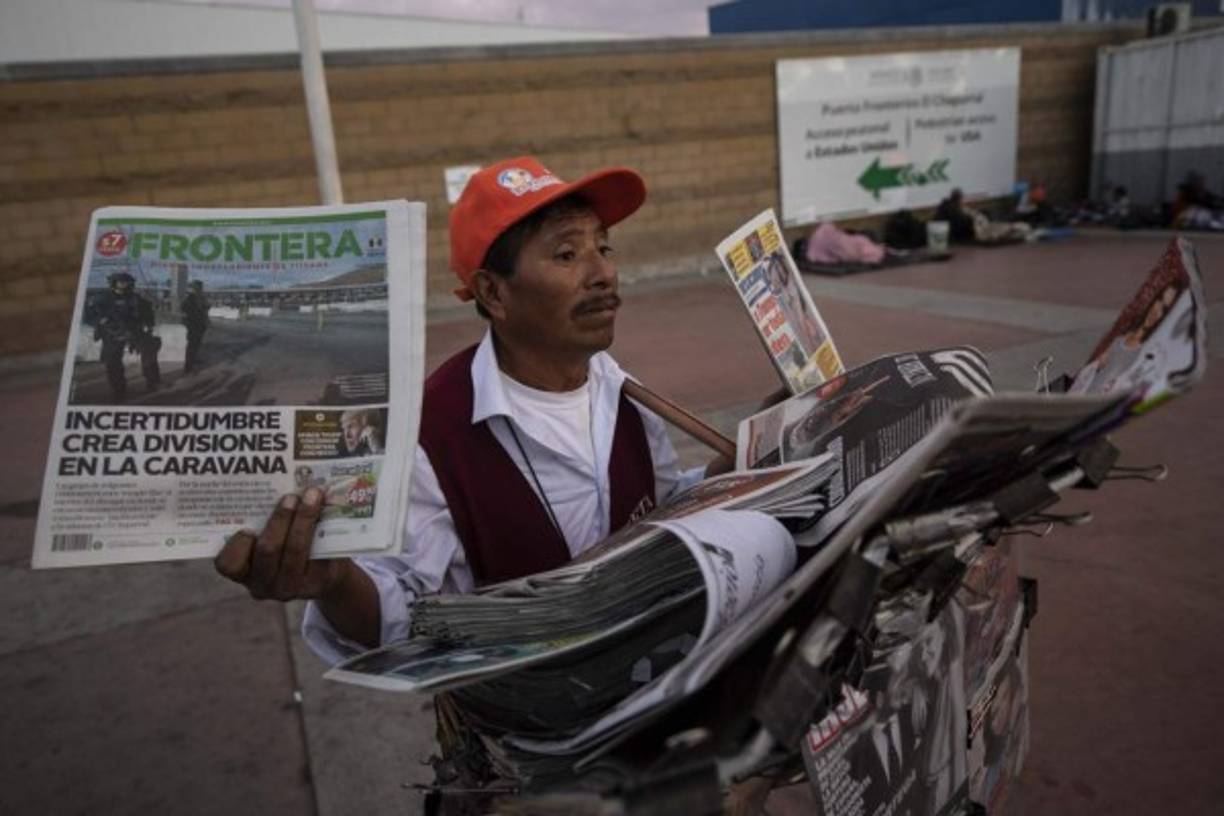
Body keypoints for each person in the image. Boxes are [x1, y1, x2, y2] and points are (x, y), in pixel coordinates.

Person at [213, 156, 722, 805]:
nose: (604, 274)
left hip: (647, 723)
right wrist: (335, 581)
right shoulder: (433, 432)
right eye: (567, 255)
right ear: (493, 293)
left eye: (604, 246)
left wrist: (739, 471)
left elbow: (657, 507)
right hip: (524, 766)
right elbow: (399, 615)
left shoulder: (618, 386)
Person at [86, 271, 161, 401]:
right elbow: (88, 316)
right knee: (112, 361)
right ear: (114, 283)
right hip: (112, 332)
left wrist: (149, 325)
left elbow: (147, 312)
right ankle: (118, 389)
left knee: (150, 348)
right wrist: (100, 321)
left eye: (127, 282)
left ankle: (152, 381)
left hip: (133, 330)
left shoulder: (135, 298)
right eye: (121, 282)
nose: (125, 285)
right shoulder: (103, 298)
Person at [180, 280, 210, 374]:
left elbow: (206, 308)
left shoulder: (202, 298)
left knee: (197, 344)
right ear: (195, 288)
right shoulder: (190, 297)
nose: (200, 289)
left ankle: (194, 359)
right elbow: (183, 307)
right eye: (198, 287)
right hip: (193, 325)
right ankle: (188, 367)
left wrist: (205, 308)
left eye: (200, 287)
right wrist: (193, 311)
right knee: (191, 346)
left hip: (201, 324)